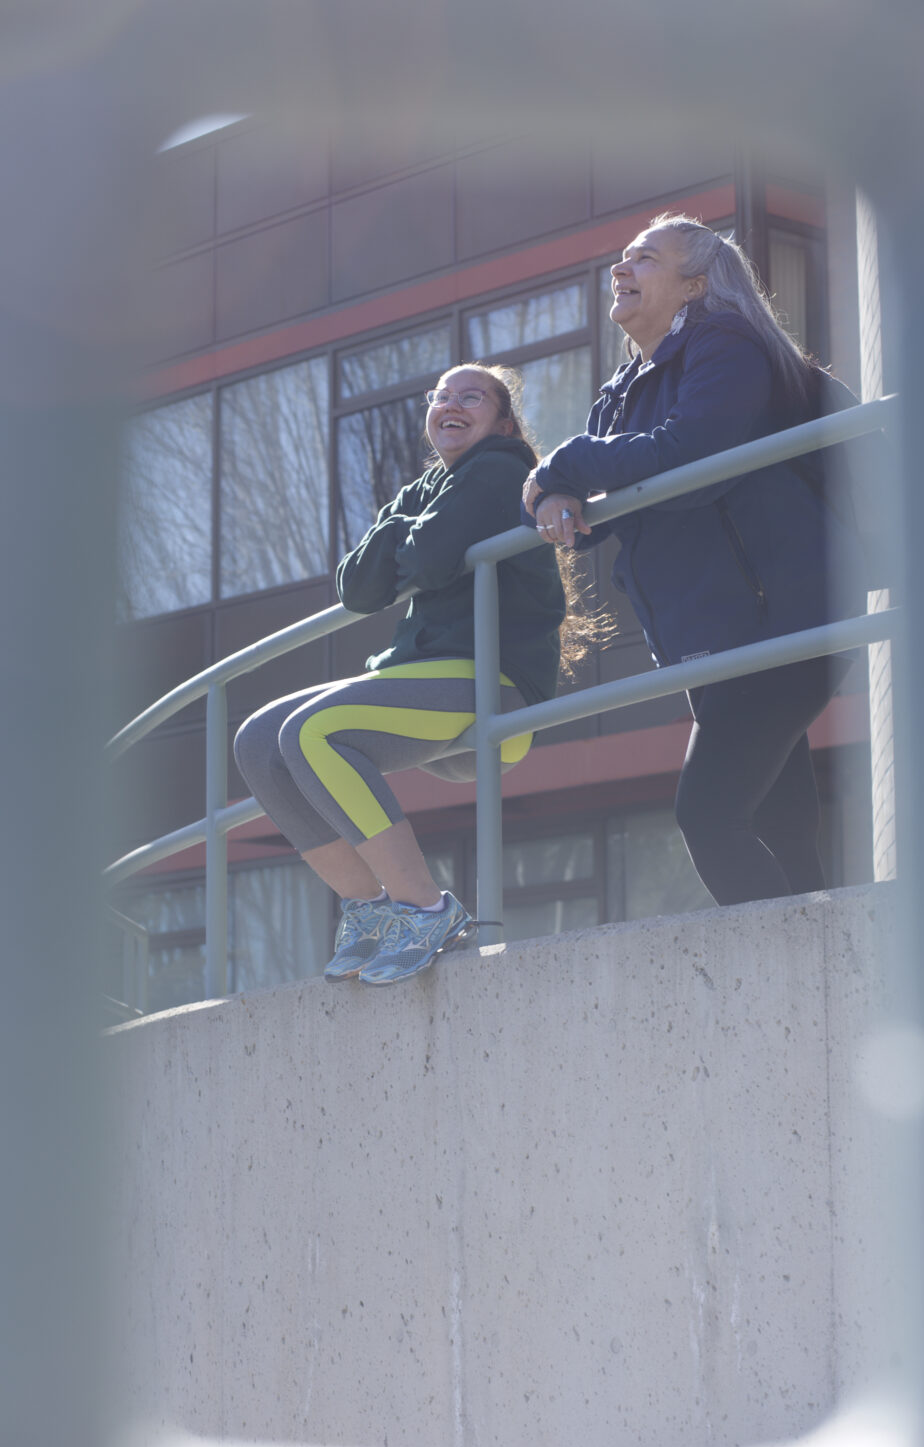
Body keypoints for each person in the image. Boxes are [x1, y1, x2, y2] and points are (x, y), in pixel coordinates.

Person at [523, 213, 865, 908]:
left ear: (694, 284)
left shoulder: (726, 342)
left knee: (708, 815)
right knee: (777, 818)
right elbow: (594, 514)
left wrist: (564, 463)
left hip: (784, 619)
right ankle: (833, 977)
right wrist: (557, 492)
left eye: (643, 259)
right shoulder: (621, 389)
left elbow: (691, 460)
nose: (619, 270)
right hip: (705, 636)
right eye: (619, 259)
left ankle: (790, 985)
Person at [234, 364, 565, 985]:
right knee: (257, 740)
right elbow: (357, 588)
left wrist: (405, 546)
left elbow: (431, 558)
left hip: (492, 686)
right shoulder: (430, 489)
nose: (451, 404)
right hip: (421, 683)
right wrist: (403, 532)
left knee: (314, 731)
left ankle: (424, 908)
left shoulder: (500, 468)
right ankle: (369, 910)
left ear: (503, 421)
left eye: (471, 397)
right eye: (441, 397)